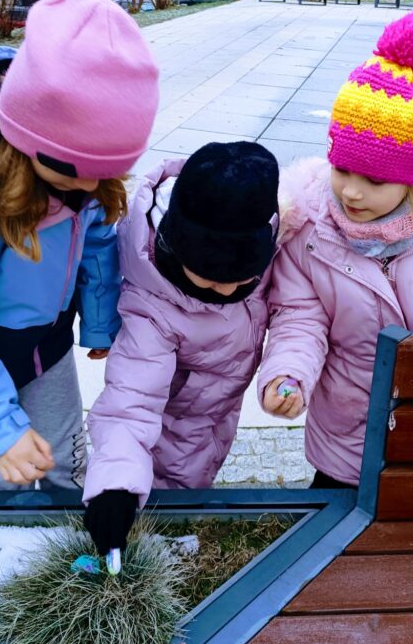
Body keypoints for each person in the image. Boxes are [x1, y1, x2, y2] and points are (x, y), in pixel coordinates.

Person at [0, 0, 159, 490]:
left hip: (48, 339)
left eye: (105, 174)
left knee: (62, 461)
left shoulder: (86, 178)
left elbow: (100, 239)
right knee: (6, 472)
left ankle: (70, 556)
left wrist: (101, 320)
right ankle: (10, 554)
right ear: (27, 138)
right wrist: (0, 432)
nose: (89, 188)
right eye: (73, 175)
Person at [256, 12, 413, 490]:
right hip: (344, 421)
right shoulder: (311, 229)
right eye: (341, 170)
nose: (351, 192)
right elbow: (298, 318)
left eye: (374, 180)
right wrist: (287, 372)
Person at [82, 142, 279, 556]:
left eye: (242, 279)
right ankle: (160, 536)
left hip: (216, 411)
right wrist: (115, 485)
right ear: (174, 246)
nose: (227, 290)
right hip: (169, 421)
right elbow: (130, 400)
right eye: (210, 279)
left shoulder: (266, 235)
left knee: (202, 460)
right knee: (170, 481)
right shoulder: (151, 305)